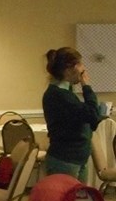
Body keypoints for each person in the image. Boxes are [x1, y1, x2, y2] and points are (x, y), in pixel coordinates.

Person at [43, 47, 105, 182]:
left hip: (76, 159)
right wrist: (86, 86)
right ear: (68, 69)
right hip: (65, 160)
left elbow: (90, 120)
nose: (83, 68)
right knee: (66, 195)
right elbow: (93, 115)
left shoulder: (66, 93)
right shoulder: (59, 95)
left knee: (79, 195)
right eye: (80, 64)